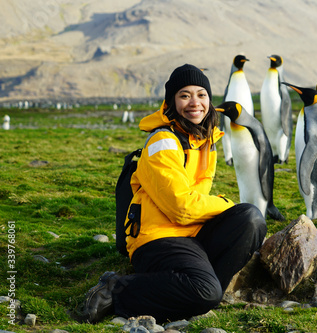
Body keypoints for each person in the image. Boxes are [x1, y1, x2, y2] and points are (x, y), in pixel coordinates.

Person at [81, 64, 267, 324]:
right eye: (185, 95)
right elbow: (181, 207)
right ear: (171, 102)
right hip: (157, 238)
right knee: (206, 290)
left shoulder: (204, 139)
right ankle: (118, 288)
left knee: (251, 219)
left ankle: (196, 292)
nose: (195, 103)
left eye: (201, 95)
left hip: (190, 234)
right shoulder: (162, 142)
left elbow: (193, 204)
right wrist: (226, 204)